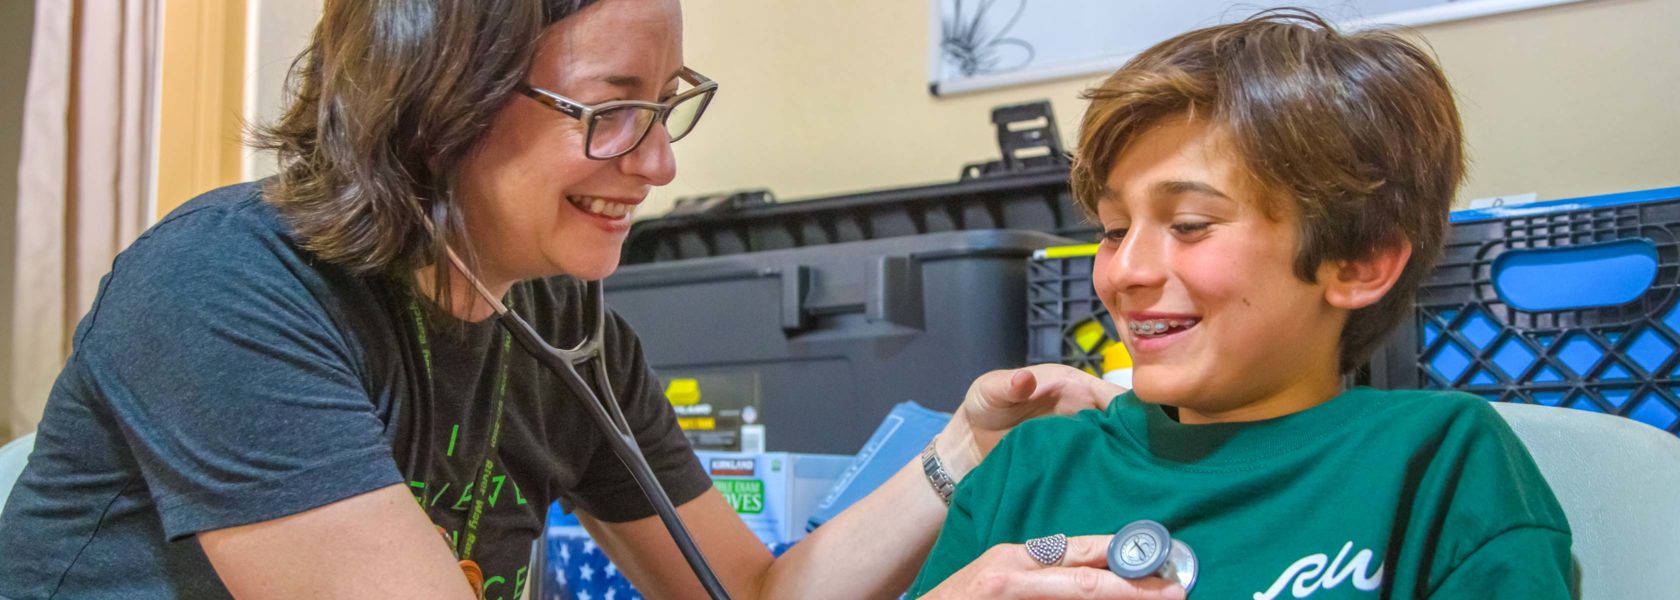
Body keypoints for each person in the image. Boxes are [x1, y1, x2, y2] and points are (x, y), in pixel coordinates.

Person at [0, 1, 1170, 599]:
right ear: (434, 94)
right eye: (612, 108)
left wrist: (966, 446)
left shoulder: (557, 322)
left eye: (669, 106)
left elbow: (748, 588)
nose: (657, 164)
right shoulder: (224, 290)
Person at [909, 9, 1573, 599]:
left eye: (1191, 224)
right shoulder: (1031, 466)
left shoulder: (1441, 459)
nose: (1125, 270)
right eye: (1113, 231)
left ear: (1358, 263)